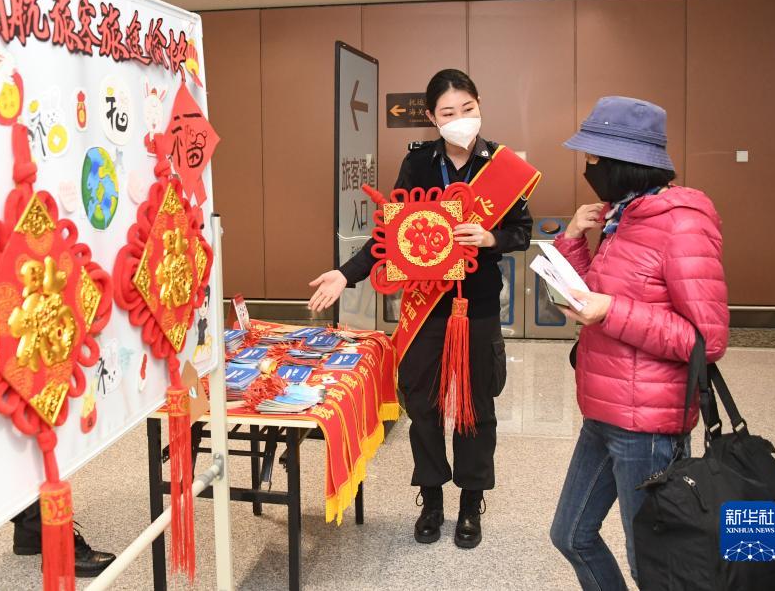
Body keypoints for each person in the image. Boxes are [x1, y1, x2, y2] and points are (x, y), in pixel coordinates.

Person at [308, 69, 534, 548]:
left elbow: (522, 232)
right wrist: (346, 274)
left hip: (476, 308)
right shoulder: (418, 164)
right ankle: (431, 498)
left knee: (476, 408)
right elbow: (388, 235)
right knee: (424, 406)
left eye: (468, 109)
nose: (460, 119)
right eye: (448, 112)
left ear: (480, 104)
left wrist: (490, 237)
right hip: (425, 307)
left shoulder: (502, 167)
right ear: (432, 117)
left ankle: (471, 502)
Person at [548, 96, 729, 589]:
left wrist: (612, 312)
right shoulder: (623, 215)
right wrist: (573, 240)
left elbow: (707, 339)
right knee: (571, 536)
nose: (588, 168)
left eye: (594, 158)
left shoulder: (683, 223)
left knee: (650, 563)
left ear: (625, 161)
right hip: (603, 409)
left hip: (649, 425)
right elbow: (594, 296)